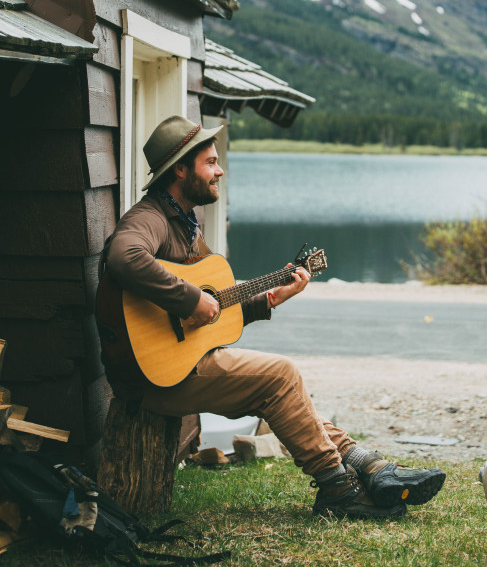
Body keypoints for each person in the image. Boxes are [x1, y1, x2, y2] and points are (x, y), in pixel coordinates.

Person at [97, 115, 445, 520]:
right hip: (148, 378)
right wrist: (190, 299)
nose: (219, 170)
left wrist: (271, 298)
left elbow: (214, 312)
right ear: (180, 168)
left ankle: (371, 466)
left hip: (178, 364)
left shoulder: (187, 222)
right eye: (210, 162)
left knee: (283, 390)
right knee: (281, 375)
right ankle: (337, 489)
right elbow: (124, 257)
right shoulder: (151, 217)